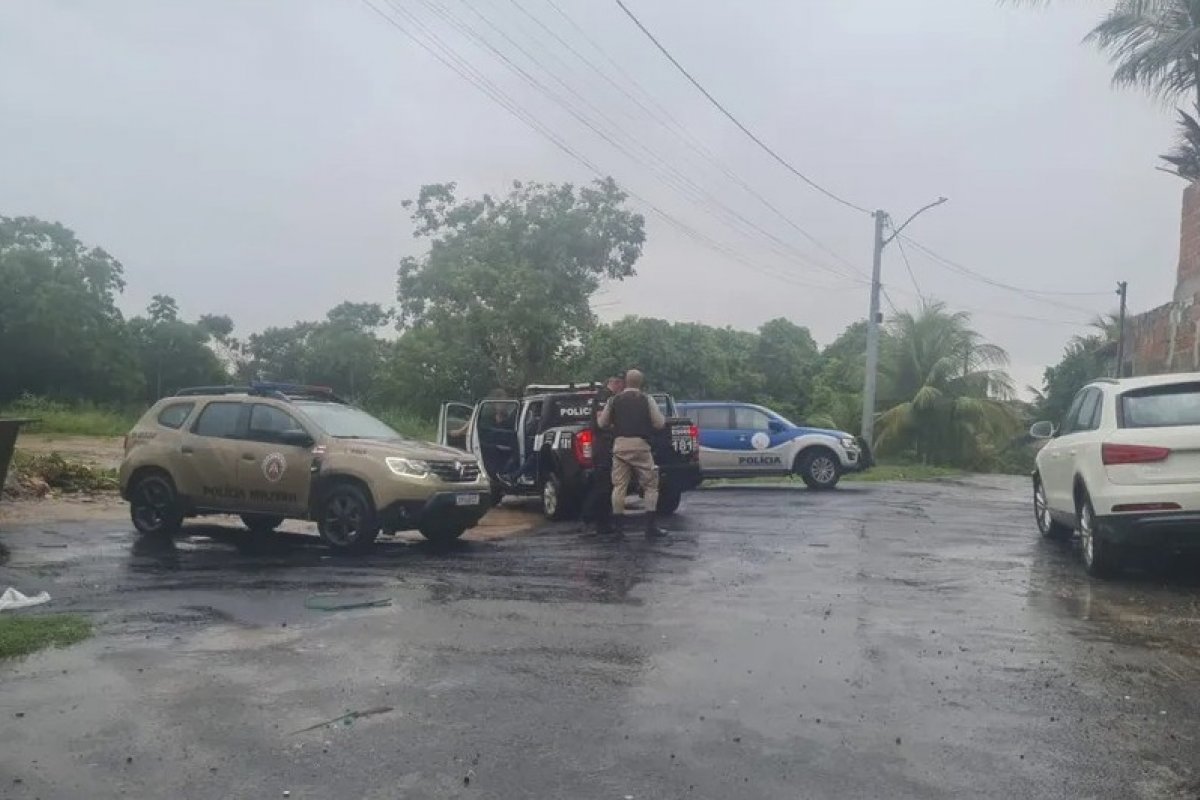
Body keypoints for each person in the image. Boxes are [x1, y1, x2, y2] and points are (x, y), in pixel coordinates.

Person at [598, 368, 667, 538]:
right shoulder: (646, 399)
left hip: (620, 445)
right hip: (641, 446)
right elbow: (659, 423)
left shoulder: (614, 400)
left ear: (626, 382)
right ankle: (650, 527)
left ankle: (619, 529)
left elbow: (602, 423)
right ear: (640, 383)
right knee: (651, 485)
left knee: (619, 486)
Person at [582, 372, 625, 535]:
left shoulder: (607, 396)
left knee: (606, 485)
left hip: (606, 445)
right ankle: (593, 519)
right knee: (603, 485)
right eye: (621, 384)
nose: (622, 388)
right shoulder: (604, 397)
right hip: (603, 446)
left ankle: (601, 520)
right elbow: (601, 422)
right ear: (615, 382)